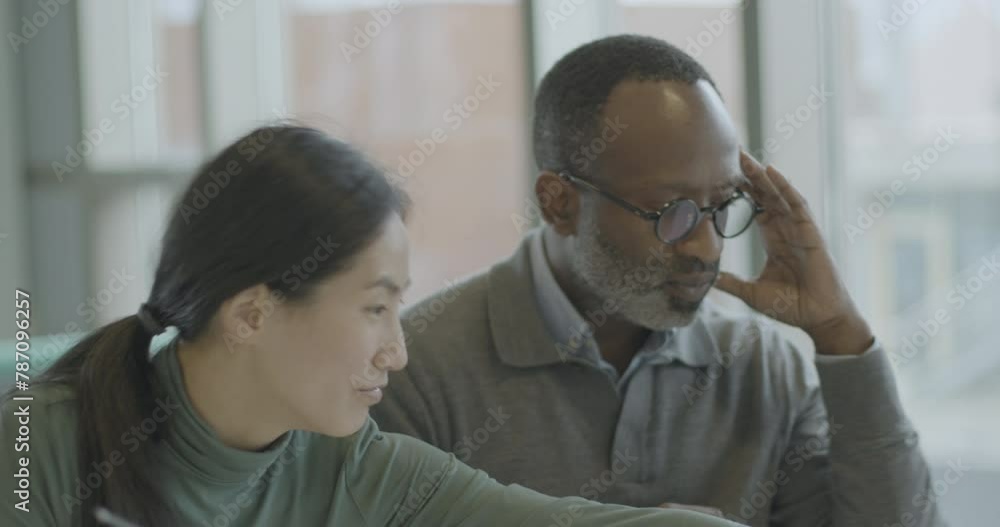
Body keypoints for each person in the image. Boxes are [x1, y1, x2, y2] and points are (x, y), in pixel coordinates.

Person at [0, 126, 739, 527]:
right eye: (374, 308)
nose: (397, 351)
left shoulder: (359, 468)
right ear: (252, 313)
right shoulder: (34, 444)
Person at [371, 35, 945, 527]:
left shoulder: (762, 367)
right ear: (559, 203)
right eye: (672, 212)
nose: (707, 248)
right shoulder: (414, 372)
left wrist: (840, 333)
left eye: (723, 205)